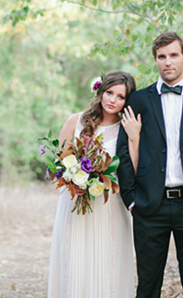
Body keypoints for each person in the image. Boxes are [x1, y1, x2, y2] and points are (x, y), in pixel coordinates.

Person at [117, 32, 183, 298]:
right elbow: (123, 153)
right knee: (147, 287)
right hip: (149, 206)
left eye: (174, 55)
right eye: (162, 56)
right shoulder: (138, 101)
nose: (168, 62)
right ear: (155, 60)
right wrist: (131, 199)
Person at [48, 70, 138, 298]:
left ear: (127, 101)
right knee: (74, 262)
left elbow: (135, 171)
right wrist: (73, 182)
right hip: (74, 205)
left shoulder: (126, 129)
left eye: (121, 96)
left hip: (109, 207)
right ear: (100, 91)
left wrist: (135, 138)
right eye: (109, 92)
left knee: (107, 267)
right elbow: (59, 163)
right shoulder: (75, 121)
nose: (113, 100)